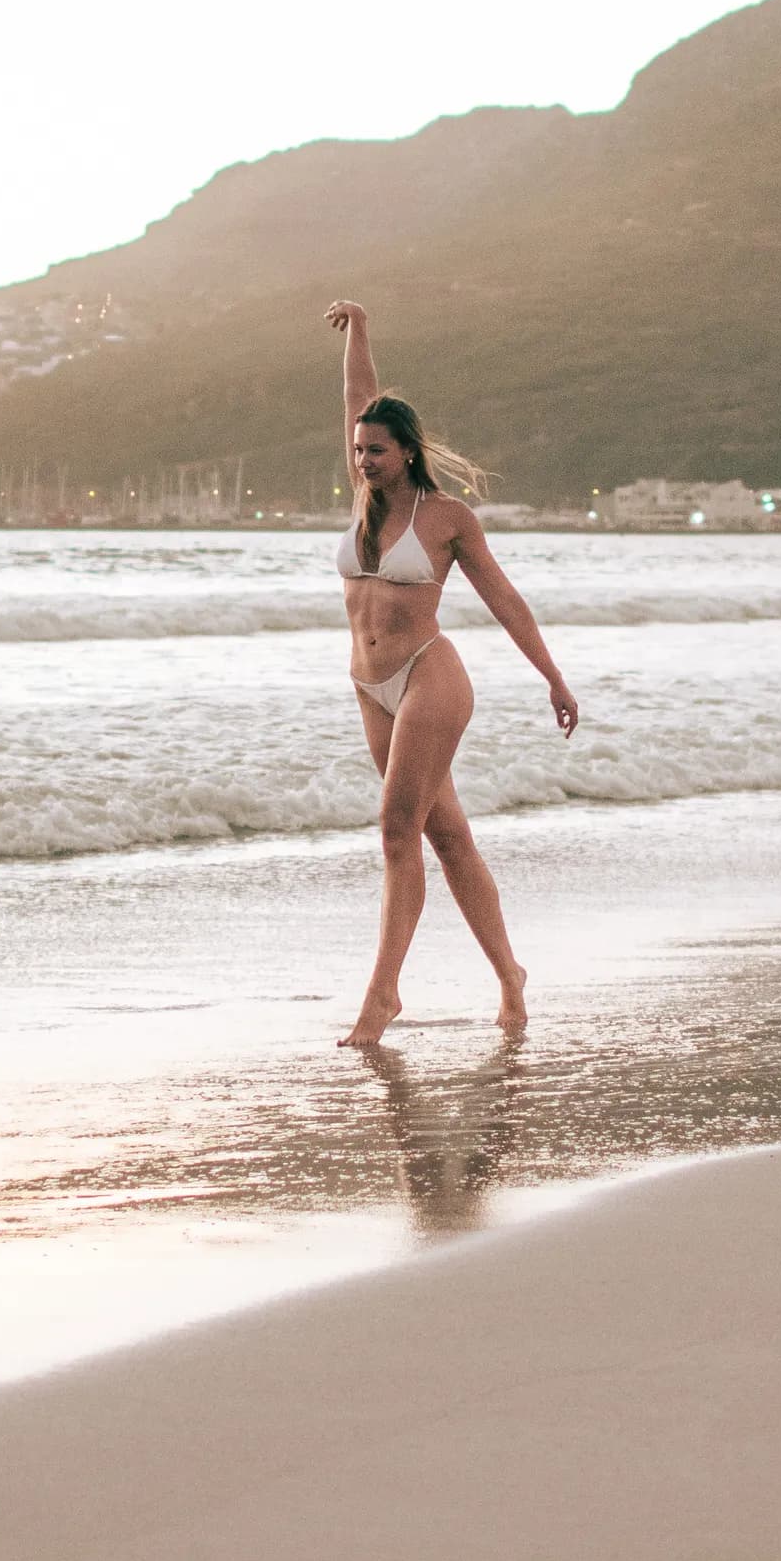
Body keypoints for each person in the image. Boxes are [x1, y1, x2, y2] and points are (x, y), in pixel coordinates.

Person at [325, 297, 578, 1048]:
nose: (364, 458)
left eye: (377, 450)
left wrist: (553, 678)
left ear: (406, 450)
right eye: (359, 449)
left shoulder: (446, 518)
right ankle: (510, 976)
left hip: (431, 678)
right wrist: (362, 329)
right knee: (450, 839)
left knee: (396, 829)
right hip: (371, 689)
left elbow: (505, 600)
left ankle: (382, 996)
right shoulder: (364, 502)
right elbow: (356, 396)